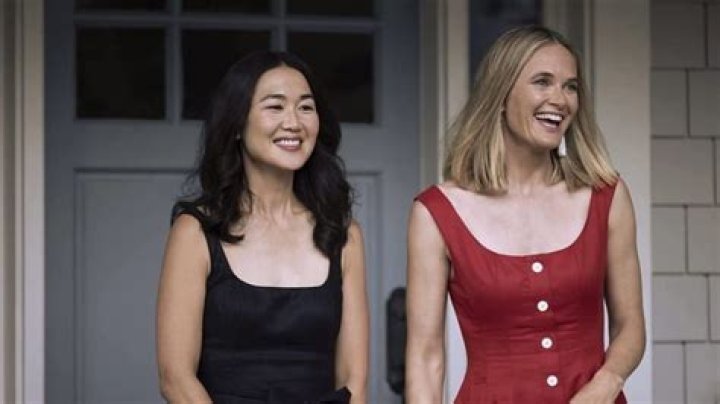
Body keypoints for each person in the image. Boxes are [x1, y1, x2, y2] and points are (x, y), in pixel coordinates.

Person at [405, 26, 645, 404]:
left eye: (570, 87)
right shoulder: (435, 213)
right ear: (501, 95)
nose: (560, 99)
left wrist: (606, 384)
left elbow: (630, 325)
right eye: (542, 82)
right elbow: (425, 358)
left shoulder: (607, 196)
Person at [156, 51, 369, 404]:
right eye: (275, 106)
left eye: (306, 107)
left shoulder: (343, 235)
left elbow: (354, 382)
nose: (294, 122)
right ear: (237, 124)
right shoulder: (195, 231)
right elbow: (175, 378)